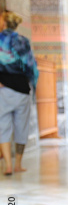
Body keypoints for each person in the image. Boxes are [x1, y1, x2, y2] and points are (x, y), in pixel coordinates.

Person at [0, 10, 38, 175]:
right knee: (21, 127)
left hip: (4, 89)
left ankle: (8, 165)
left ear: (4, 23)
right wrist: (33, 84)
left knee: (3, 127)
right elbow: (31, 67)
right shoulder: (23, 41)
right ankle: (18, 164)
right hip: (22, 89)